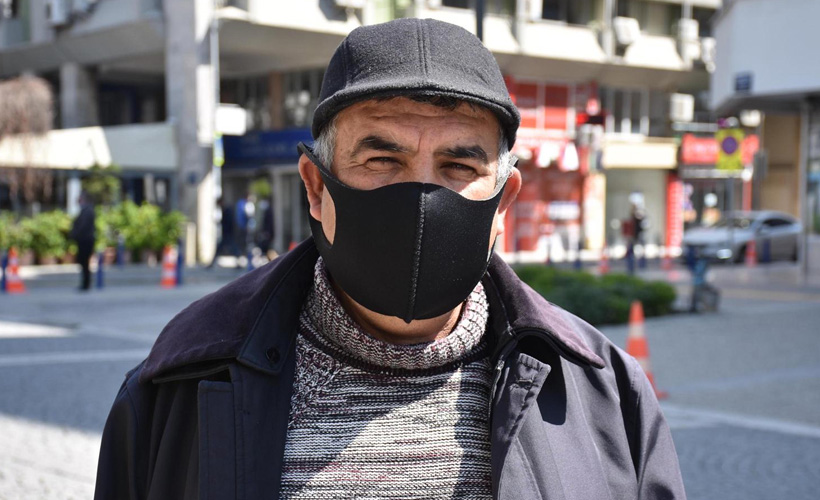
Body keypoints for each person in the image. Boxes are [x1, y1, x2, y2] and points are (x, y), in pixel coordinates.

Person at [94, 18, 686, 499]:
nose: (421, 198)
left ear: (503, 201)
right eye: (382, 161)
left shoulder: (605, 397)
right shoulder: (179, 388)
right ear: (316, 188)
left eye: (459, 166)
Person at [70, 191, 95, 291]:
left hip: (85, 240)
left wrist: (75, 234)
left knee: (84, 262)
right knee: (83, 263)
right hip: (83, 240)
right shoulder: (86, 210)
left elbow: (82, 226)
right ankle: (85, 284)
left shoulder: (87, 211)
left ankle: (86, 284)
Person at [206, 197, 238, 269]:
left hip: (227, 233)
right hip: (226, 234)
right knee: (230, 248)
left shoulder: (227, 210)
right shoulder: (225, 210)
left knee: (232, 248)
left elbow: (228, 223)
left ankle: (212, 263)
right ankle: (212, 263)